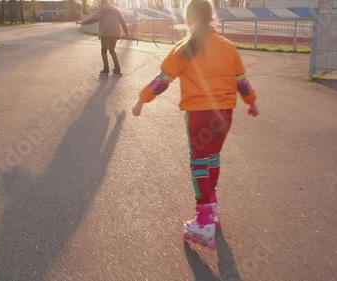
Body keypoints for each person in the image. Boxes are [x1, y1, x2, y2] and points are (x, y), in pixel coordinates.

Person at [131, 0, 258, 250]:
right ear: (212, 17)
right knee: (212, 158)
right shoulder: (228, 47)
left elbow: (162, 80)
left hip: (199, 114)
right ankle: (212, 207)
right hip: (224, 114)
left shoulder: (184, 47)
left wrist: (141, 100)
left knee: (199, 161)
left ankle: (204, 220)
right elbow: (241, 81)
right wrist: (251, 102)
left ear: (188, 19)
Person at [77, 0, 129, 77]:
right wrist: (126, 32)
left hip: (106, 33)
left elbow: (94, 19)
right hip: (115, 34)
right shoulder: (115, 10)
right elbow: (123, 21)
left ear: (103, 3)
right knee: (112, 50)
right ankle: (117, 69)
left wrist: (82, 22)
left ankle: (106, 70)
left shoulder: (102, 9)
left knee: (104, 51)